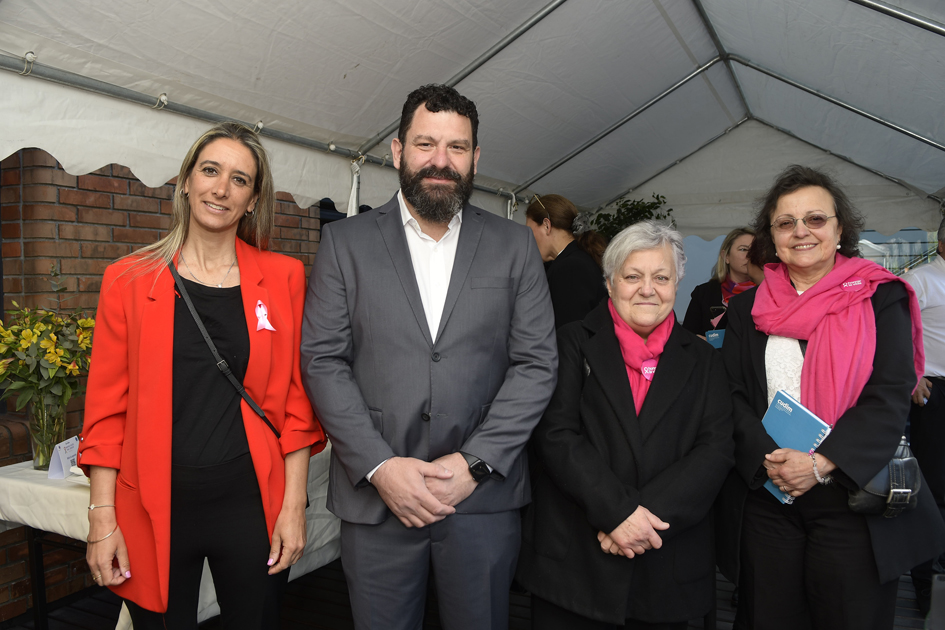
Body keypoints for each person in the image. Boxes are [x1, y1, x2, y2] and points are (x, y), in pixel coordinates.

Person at [300, 84, 557, 630]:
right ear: (398, 151)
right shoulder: (345, 243)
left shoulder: (514, 246)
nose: (441, 161)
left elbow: (536, 364)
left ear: (475, 158)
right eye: (425, 144)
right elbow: (323, 360)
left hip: (483, 501)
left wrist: (475, 463)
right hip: (378, 501)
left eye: (456, 147)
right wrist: (380, 467)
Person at [78, 122, 326, 629]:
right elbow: (105, 414)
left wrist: (294, 505)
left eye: (240, 179)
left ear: (253, 200)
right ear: (187, 181)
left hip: (251, 502)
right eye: (210, 171)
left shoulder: (284, 278)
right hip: (153, 503)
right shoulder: (127, 280)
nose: (221, 188)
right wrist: (102, 518)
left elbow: (297, 404)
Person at [717, 164, 945, 630]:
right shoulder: (746, 308)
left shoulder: (881, 298)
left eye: (816, 219)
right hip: (769, 493)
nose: (801, 231)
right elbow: (730, 394)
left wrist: (819, 464)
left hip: (853, 495)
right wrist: (771, 462)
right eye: (786, 222)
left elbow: (888, 394)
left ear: (840, 229)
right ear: (772, 236)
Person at [516, 220, 735, 629]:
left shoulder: (705, 360)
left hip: (664, 563)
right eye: (633, 276)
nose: (647, 289)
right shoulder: (570, 342)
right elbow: (556, 436)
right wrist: (618, 513)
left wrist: (642, 519)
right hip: (576, 563)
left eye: (661, 277)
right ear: (609, 282)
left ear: (677, 283)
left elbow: (716, 449)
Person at [902, 216, 945, 616]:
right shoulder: (921, 280)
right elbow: (894, 331)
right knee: (932, 489)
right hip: (934, 392)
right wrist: (912, 376)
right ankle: (924, 584)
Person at [525, 194, 608, 328]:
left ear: (546, 225)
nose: (529, 239)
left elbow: (569, 331)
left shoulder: (571, 267)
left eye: (530, 231)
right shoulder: (575, 259)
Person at [683, 227, 755, 336]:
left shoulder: (767, 293)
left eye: (755, 250)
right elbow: (688, 337)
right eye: (743, 249)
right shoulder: (703, 293)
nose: (750, 255)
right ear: (726, 256)